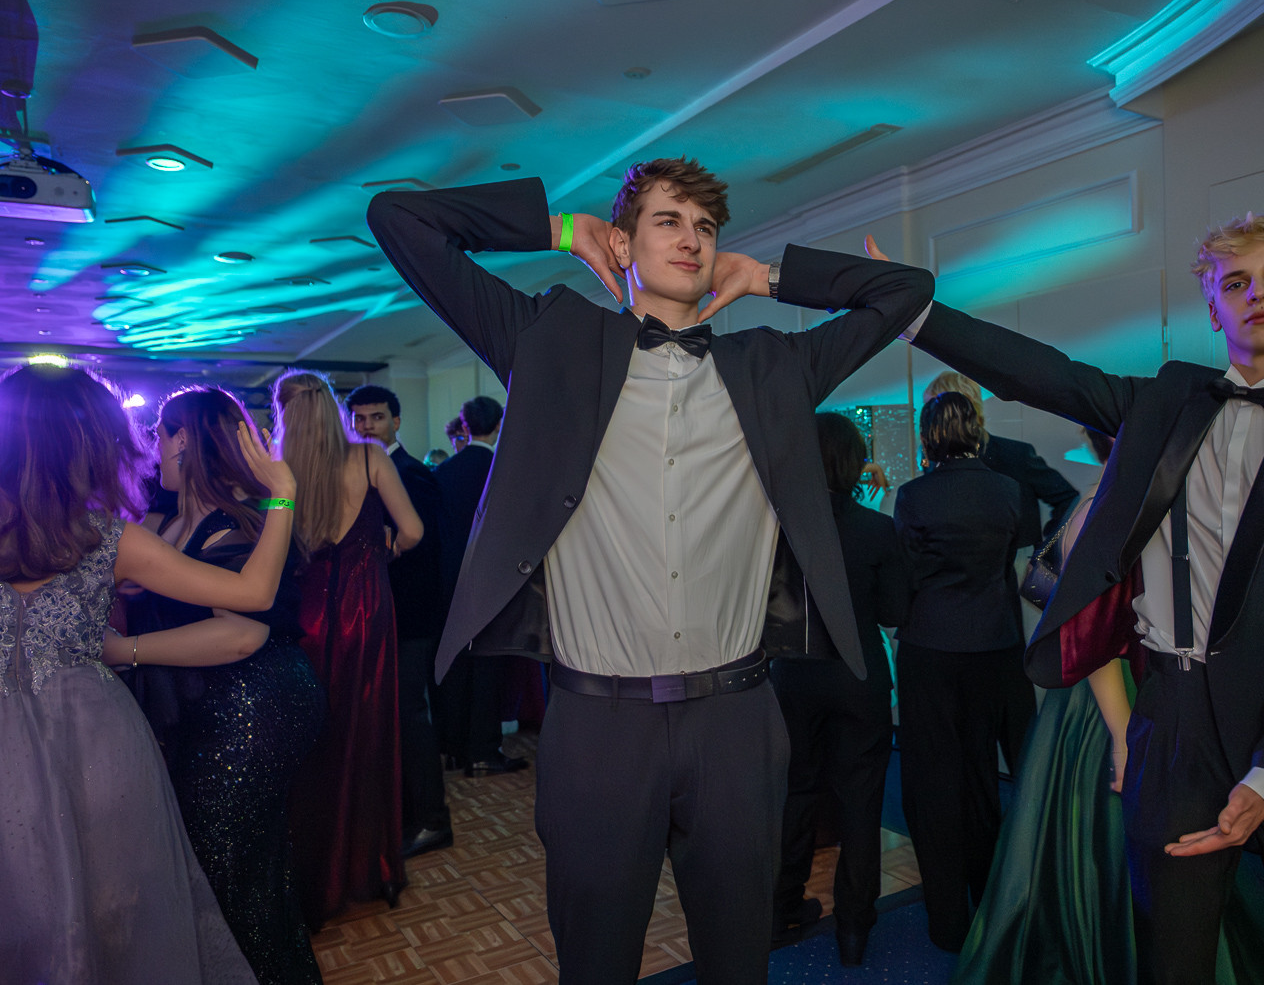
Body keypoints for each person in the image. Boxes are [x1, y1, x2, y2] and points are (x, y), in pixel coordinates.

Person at [367, 156, 934, 984]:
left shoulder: (773, 367)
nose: (692, 238)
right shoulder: (548, 341)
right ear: (624, 242)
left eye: (706, 227)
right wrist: (563, 228)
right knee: (595, 964)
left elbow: (906, 290)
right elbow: (399, 219)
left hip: (737, 719)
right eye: (668, 220)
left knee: (740, 962)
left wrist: (767, 276)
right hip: (599, 724)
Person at [881, 210, 1264, 984]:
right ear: (1214, 308)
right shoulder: (1167, 402)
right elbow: (1043, 372)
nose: (1258, 293)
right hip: (1172, 731)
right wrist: (914, 313)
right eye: (1235, 283)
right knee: (1171, 963)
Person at [1, 362, 296, 985]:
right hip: (92, 739)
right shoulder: (108, 539)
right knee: (117, 908)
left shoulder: (118, 539)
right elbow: (256, 592)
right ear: (88, 445)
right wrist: (283, 492)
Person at [118, 387, 326, 985]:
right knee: (237, 866)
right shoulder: (167, 517)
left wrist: (126, 651)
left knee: (227, 871)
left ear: (182, 438)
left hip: (253, 705)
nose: (151, 447)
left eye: (158, 434)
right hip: (216, 703)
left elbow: (240, 635)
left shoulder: (232, 524)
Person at [275, 369, 423, 928]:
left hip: (309, 614)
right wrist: (382, 547)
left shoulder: (281, 471)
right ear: (334, 407)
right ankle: (366, 864)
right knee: (366, 731)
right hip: (366, 608)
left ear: (285, 415)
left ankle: (310, 869)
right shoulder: (369, 457)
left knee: (311, 736)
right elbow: (413, 532)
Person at [770, 412, 910, 966]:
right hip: (858, 677)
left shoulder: (778, 528)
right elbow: (894, 611)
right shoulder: (876, 529)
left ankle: (782, 906)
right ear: (855, 464)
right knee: (861, 803)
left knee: (795, 794)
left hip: (793, 676)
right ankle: (853, 928)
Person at [891, 390, 1028, 952]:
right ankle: (989, 898)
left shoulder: (913, 496)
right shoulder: (1008, 490)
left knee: (931, 783)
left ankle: (947, 922)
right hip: (993, 647)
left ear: (927, 436)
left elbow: (907, 573)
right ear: (977, 431)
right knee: (980, 778)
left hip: (929, 648)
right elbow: (1008, 559)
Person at [346, 383, 453, 857]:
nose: (367, 426)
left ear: (397, 421)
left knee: (411, 715)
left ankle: (432, 820)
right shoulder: (355, 470)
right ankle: (403, 813)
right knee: (390, 715)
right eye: (360, 418)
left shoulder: (412, 472)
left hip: (409, 616)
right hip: (373, 613)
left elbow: (426, 548)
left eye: (377, 417)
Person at [433, 394, 529, 777]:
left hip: (449, 581)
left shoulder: (443, 471)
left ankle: (455, 747)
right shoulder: (505, 470)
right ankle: (483, 751)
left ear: (465, 426)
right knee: (488, 667)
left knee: (455, 665)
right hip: (491, 581)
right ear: (499, 424)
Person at [924, 371, 1078, 551]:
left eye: (936, 410)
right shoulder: (935, 459)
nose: (930, 418)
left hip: (1015, 559)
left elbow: (1068, 500)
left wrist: (1046, 550)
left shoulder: (1014, 454)